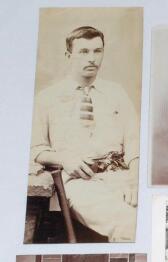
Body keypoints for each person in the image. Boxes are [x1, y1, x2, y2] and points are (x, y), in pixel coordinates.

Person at [31, 26, 139, 242]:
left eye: (97, 51)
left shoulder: (116, 93)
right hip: (80, 182)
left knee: (156, 218)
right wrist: (64, 158)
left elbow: (135, 143)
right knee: (130, 225)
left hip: (123, 176)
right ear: (68, 55)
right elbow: (36, 149)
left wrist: (135, 180)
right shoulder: (47, 99)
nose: (92, 59)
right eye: (84, 52)